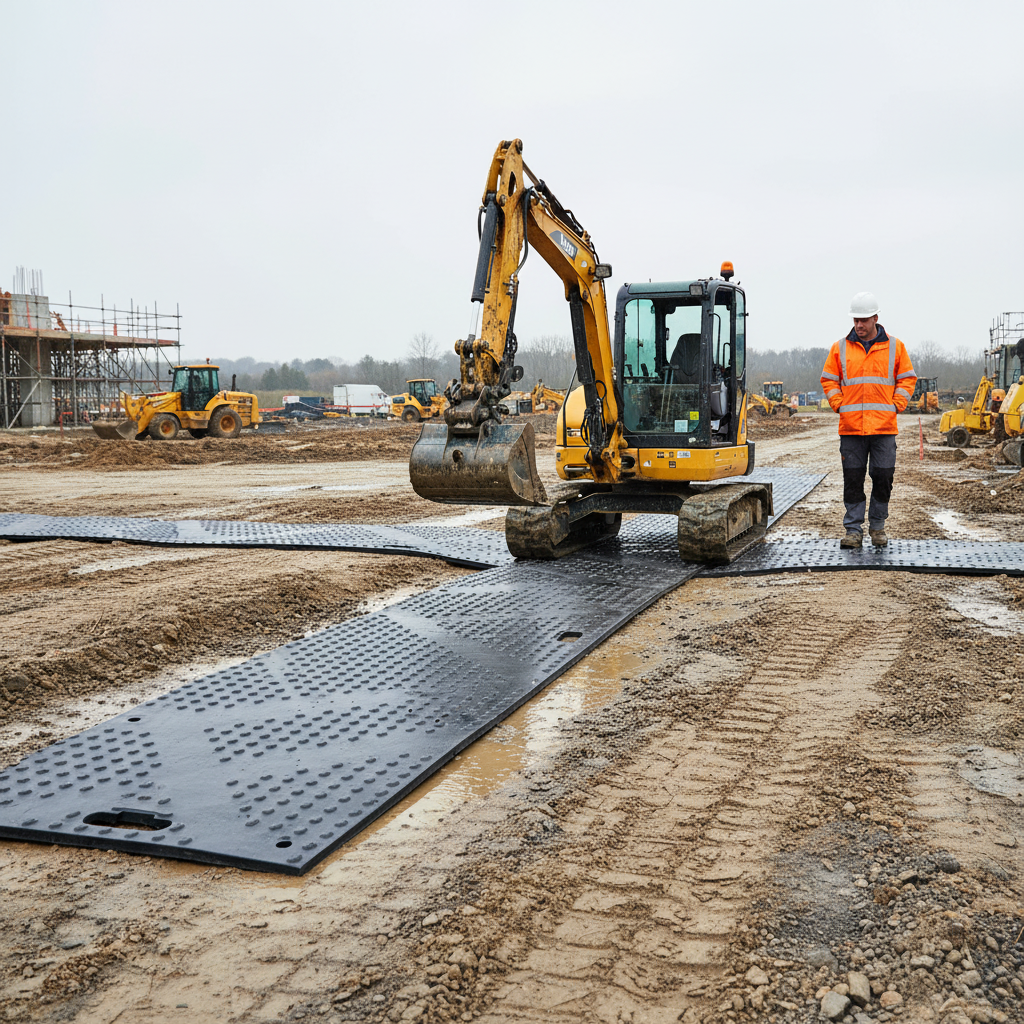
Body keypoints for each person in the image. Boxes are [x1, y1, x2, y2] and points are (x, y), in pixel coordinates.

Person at [820, 292, 916, 549]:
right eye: (855, 320)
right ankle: (853, 530)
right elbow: (828, 379)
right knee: (853, 479)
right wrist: (838, 404)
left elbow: (907, 378)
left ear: (875, 318)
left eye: (863, 320)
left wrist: (897, 404)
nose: (858, 325)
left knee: (883, 477)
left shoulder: (896, 347)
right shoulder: (839, 348)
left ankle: (877, 527)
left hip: (884, 427)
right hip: (851, 428)